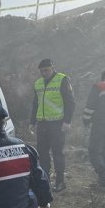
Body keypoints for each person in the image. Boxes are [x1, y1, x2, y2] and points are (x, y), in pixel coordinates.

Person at [30, 58, 75, 192]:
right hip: (42, 124)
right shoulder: (38, 83)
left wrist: (67, 121)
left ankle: (60, 182)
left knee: (57, 153)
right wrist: (32, 122)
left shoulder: (62, 79)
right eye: (42, 71)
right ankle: (45, 181)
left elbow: (70, 102)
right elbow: (35, 104)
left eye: (46, 70)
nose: (44, 73)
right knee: (42, 154)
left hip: (57, 123)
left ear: (52, 68)